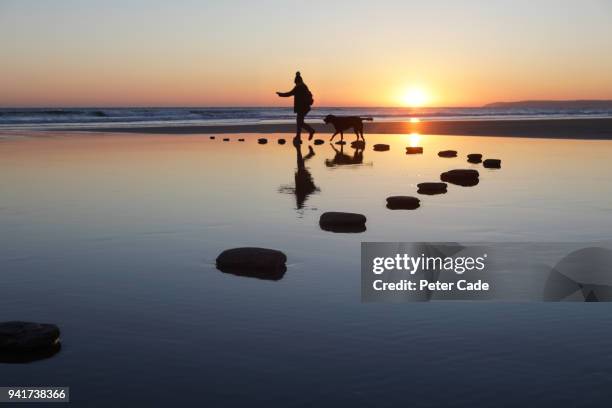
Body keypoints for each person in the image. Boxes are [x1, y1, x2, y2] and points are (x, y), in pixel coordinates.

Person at [276, 71, 315, 142]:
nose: (295, 83)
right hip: (306, 107)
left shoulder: (298, 87)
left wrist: (280, 94)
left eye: (295, 82)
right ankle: (299, 136)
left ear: (296, 81)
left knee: (299, 122)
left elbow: (289, 93)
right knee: (299, 122)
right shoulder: (304, 86)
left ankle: (310, 131)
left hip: (302, 107)